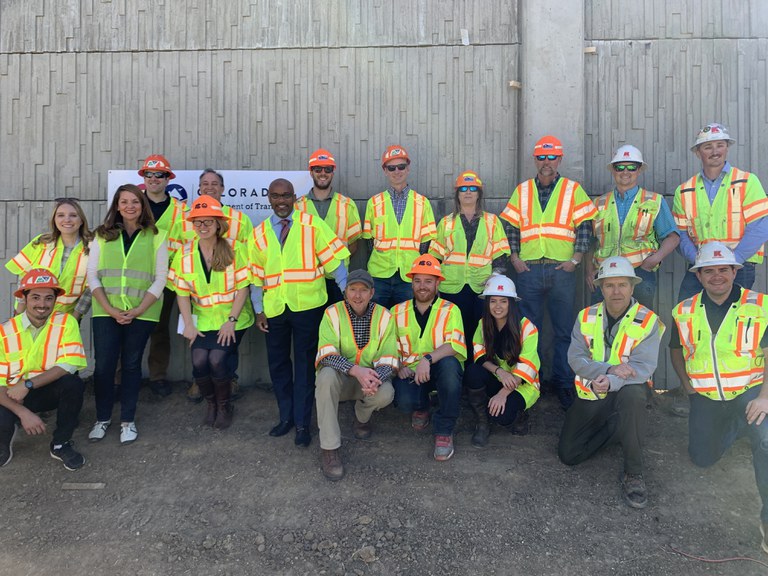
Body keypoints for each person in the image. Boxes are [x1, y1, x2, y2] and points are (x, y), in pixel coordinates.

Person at [669, 242, 768, 552]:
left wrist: (765, 396)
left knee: (765, 442)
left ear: (735, 272)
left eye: (722, 270)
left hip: (751, 394)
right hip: (708, 398)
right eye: (708, 271)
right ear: (698, 276)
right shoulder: (683, 310)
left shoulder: (760, 305)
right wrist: (688, 388)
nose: (716, 277)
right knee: (701, 458)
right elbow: (675, 349)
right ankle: (738, 428)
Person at [251, 178, 350, 447]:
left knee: (306, 367)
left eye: (286, 196)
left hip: (308, 308)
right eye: (275, 196)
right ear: (269, 197)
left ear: (295, 197)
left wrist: (349, 295)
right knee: (279, 365)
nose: (281, 201)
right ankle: (286, 418)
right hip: (274, 310)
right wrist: (258, 309)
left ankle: (303, 424)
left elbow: (336, 264)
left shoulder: (312, 225)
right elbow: (255, 276)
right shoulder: (259, 233)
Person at [500, 135, 597, 410]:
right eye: (541, 157)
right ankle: (533, 380)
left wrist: (576, 260)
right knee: (529, 330)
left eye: (551, 157)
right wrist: (515, 258)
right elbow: (510, 227)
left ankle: (564, 384)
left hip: (562, 270)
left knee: (565, 330)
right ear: (535, 160)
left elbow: (585, 227)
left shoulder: (572, 189)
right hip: (528, 270)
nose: (546, 163)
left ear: (560, 159)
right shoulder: (522, 191)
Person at [559, 256, 664, 509]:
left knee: (634, 397)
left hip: (628, 390)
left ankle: (634, 472)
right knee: (569, 454)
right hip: (593, 390)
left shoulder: (649, 321)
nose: (616, 291)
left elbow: (643, 368)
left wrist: (612, 380)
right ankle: (619, 428)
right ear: (600, 287)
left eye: (622, 285)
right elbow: (575, 358)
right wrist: (608, 370)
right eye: (609, 285)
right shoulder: (586, 316)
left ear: (632, 287)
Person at [87, 184, 168, 445]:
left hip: (142, 312)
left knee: (132, 366)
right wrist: (110, 309)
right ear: (117, 206)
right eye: (124, 202)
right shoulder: (101, 235)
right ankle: (102, 419)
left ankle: (127, 421)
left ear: (142, 205)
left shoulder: (157, 235)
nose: (130, 206)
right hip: (105, 311)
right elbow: (92, 276)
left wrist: (138, 310)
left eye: (135, 201)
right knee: (104, 367)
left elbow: (160, 279)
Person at [171, 168, 255, 402]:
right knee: (200, 354)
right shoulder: (184, 220)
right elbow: (177, 259)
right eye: (205, 183)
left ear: (222, 189)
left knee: (225, 350)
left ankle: (231, 380)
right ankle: (202, 384)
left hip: (231, 300)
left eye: (215, 183)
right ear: (199, 188)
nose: (210, 187)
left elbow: (249, 260)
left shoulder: (240, 220)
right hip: (197, 302)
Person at [314, 269, 397, 480]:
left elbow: (390, 359)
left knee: (386, 392)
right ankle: (330, 449)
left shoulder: (385, 316)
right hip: (340, 381)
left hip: (366, 383)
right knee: (325, 377)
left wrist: (374, 381)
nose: (357, 295)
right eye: (352, 289)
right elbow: (326, 354)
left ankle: (361, 417)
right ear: (345, 292)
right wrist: (355, 370)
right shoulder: (331, 313)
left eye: (363, 290)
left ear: (372, 293)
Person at [0, 269, 87, 470]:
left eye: (49, 298)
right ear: (24, 298)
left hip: (44, 390)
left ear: (56, 300)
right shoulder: (5, 332)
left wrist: (28, 384)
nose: (42, 304)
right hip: (12, 396)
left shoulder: (66, 322)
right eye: (36, 297)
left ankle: (60, 444)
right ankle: (4, 440)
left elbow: (69, 364)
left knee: (73, 384)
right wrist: (23, 413)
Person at [673, 123, 768, 302]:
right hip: (701, 267)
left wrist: (734, 262)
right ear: (697, 152)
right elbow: (681, 234)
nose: (715, 151)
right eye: (708, 146)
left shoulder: (747, 182)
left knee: (735, 321)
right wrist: (698, 261)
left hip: (739, 266)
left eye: (720, 145)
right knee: (684, 313)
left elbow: (760, 227)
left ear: (727, 148)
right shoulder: (685, 190)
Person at [391, 255, 466, 461]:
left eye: (428, 281)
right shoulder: (397, 311)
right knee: (405, 402)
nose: (422, 286)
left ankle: (444, 430)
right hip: (411, 373)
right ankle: (422, 405)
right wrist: (398, 366)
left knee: (450, 367)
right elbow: (387, 348)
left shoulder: (451, 310)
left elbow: (455, 345)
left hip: (440, 369)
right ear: (411, 282)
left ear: (437, 283)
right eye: (417, 281)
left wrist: (428, 359)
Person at [586, 145, 680, 310]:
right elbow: (590, 242)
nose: (625, 171)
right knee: (600, 327)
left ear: (639, 170)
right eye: (620, 167)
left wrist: (652, 261)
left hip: (639, 274)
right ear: (613, 170)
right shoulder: (598, 203)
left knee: (639, 327)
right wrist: (589, 271)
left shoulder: (654, 201)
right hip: (605, 276)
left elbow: (673, 237)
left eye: (631, 167)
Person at [429, 171, 510, 357]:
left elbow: (500, 254)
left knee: (481, 332)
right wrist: (434, 284)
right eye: (463, 189)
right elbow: (435, 257)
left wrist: (495, 276)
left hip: (482, 287)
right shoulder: (446, 223)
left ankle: (478, 373)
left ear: (479, 194)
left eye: (473, 188)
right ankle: (459, 373)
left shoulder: (492, 221)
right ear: (457, 194)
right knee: (455, 332)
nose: (468, 192)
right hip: (452, 287)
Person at [465, 275, 540, 447]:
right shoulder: (483, 323)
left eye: (503, 301)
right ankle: (482, 423)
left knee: (502, 417)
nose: (497, 306)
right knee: (473, 372)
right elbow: (479, 355)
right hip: (499, 376)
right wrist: (500, 372)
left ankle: (521, 414)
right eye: (493, 301)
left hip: (523, 384)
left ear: (511, 303)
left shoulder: (527, 327)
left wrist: (502, 394)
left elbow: (526, 367)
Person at [362, 144, 437, 308]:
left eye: (401, 166)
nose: (397, 171)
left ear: (408, 168)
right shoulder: (374, 203)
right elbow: (368, 241)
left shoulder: (422, 203)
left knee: (406, 323)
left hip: (409, 275)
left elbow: (427, 242)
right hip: (379, 275)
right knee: (377, 322)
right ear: (385, 170)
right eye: (392, 167)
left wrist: (419, 270)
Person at [139, 154, 187, 397]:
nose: (154, 179)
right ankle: (120, 380)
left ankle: (157, 377)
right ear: (144, 177)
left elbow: (188, 244)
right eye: (149, 174)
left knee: (159, 329)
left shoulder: (180, 210)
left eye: (160, 175)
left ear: (168, 178)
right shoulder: (132, 204)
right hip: (132, 278)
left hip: (167, 279)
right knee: (126, 328)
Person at [6, 198, 93, 320]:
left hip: (65, 317)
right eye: (60, 215)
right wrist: (18, 315)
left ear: (81, 220)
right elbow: (23, 278)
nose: (67, 219)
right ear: (54, 220)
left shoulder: (93, 248)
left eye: (73, 215)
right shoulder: (41, 243)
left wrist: (75, 318)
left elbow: (91, 289)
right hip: (30, 314)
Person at [295, 148, 362, 305]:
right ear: (311, 172)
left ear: (333, 172)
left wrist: (334, 261)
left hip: (338, 278)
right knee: (311, 327)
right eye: (318, 169)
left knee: (337, 325)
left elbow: (353, 244)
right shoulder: (298, 206)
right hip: (309, 280)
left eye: (327, 169)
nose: (323, 173)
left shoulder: (347, 205)